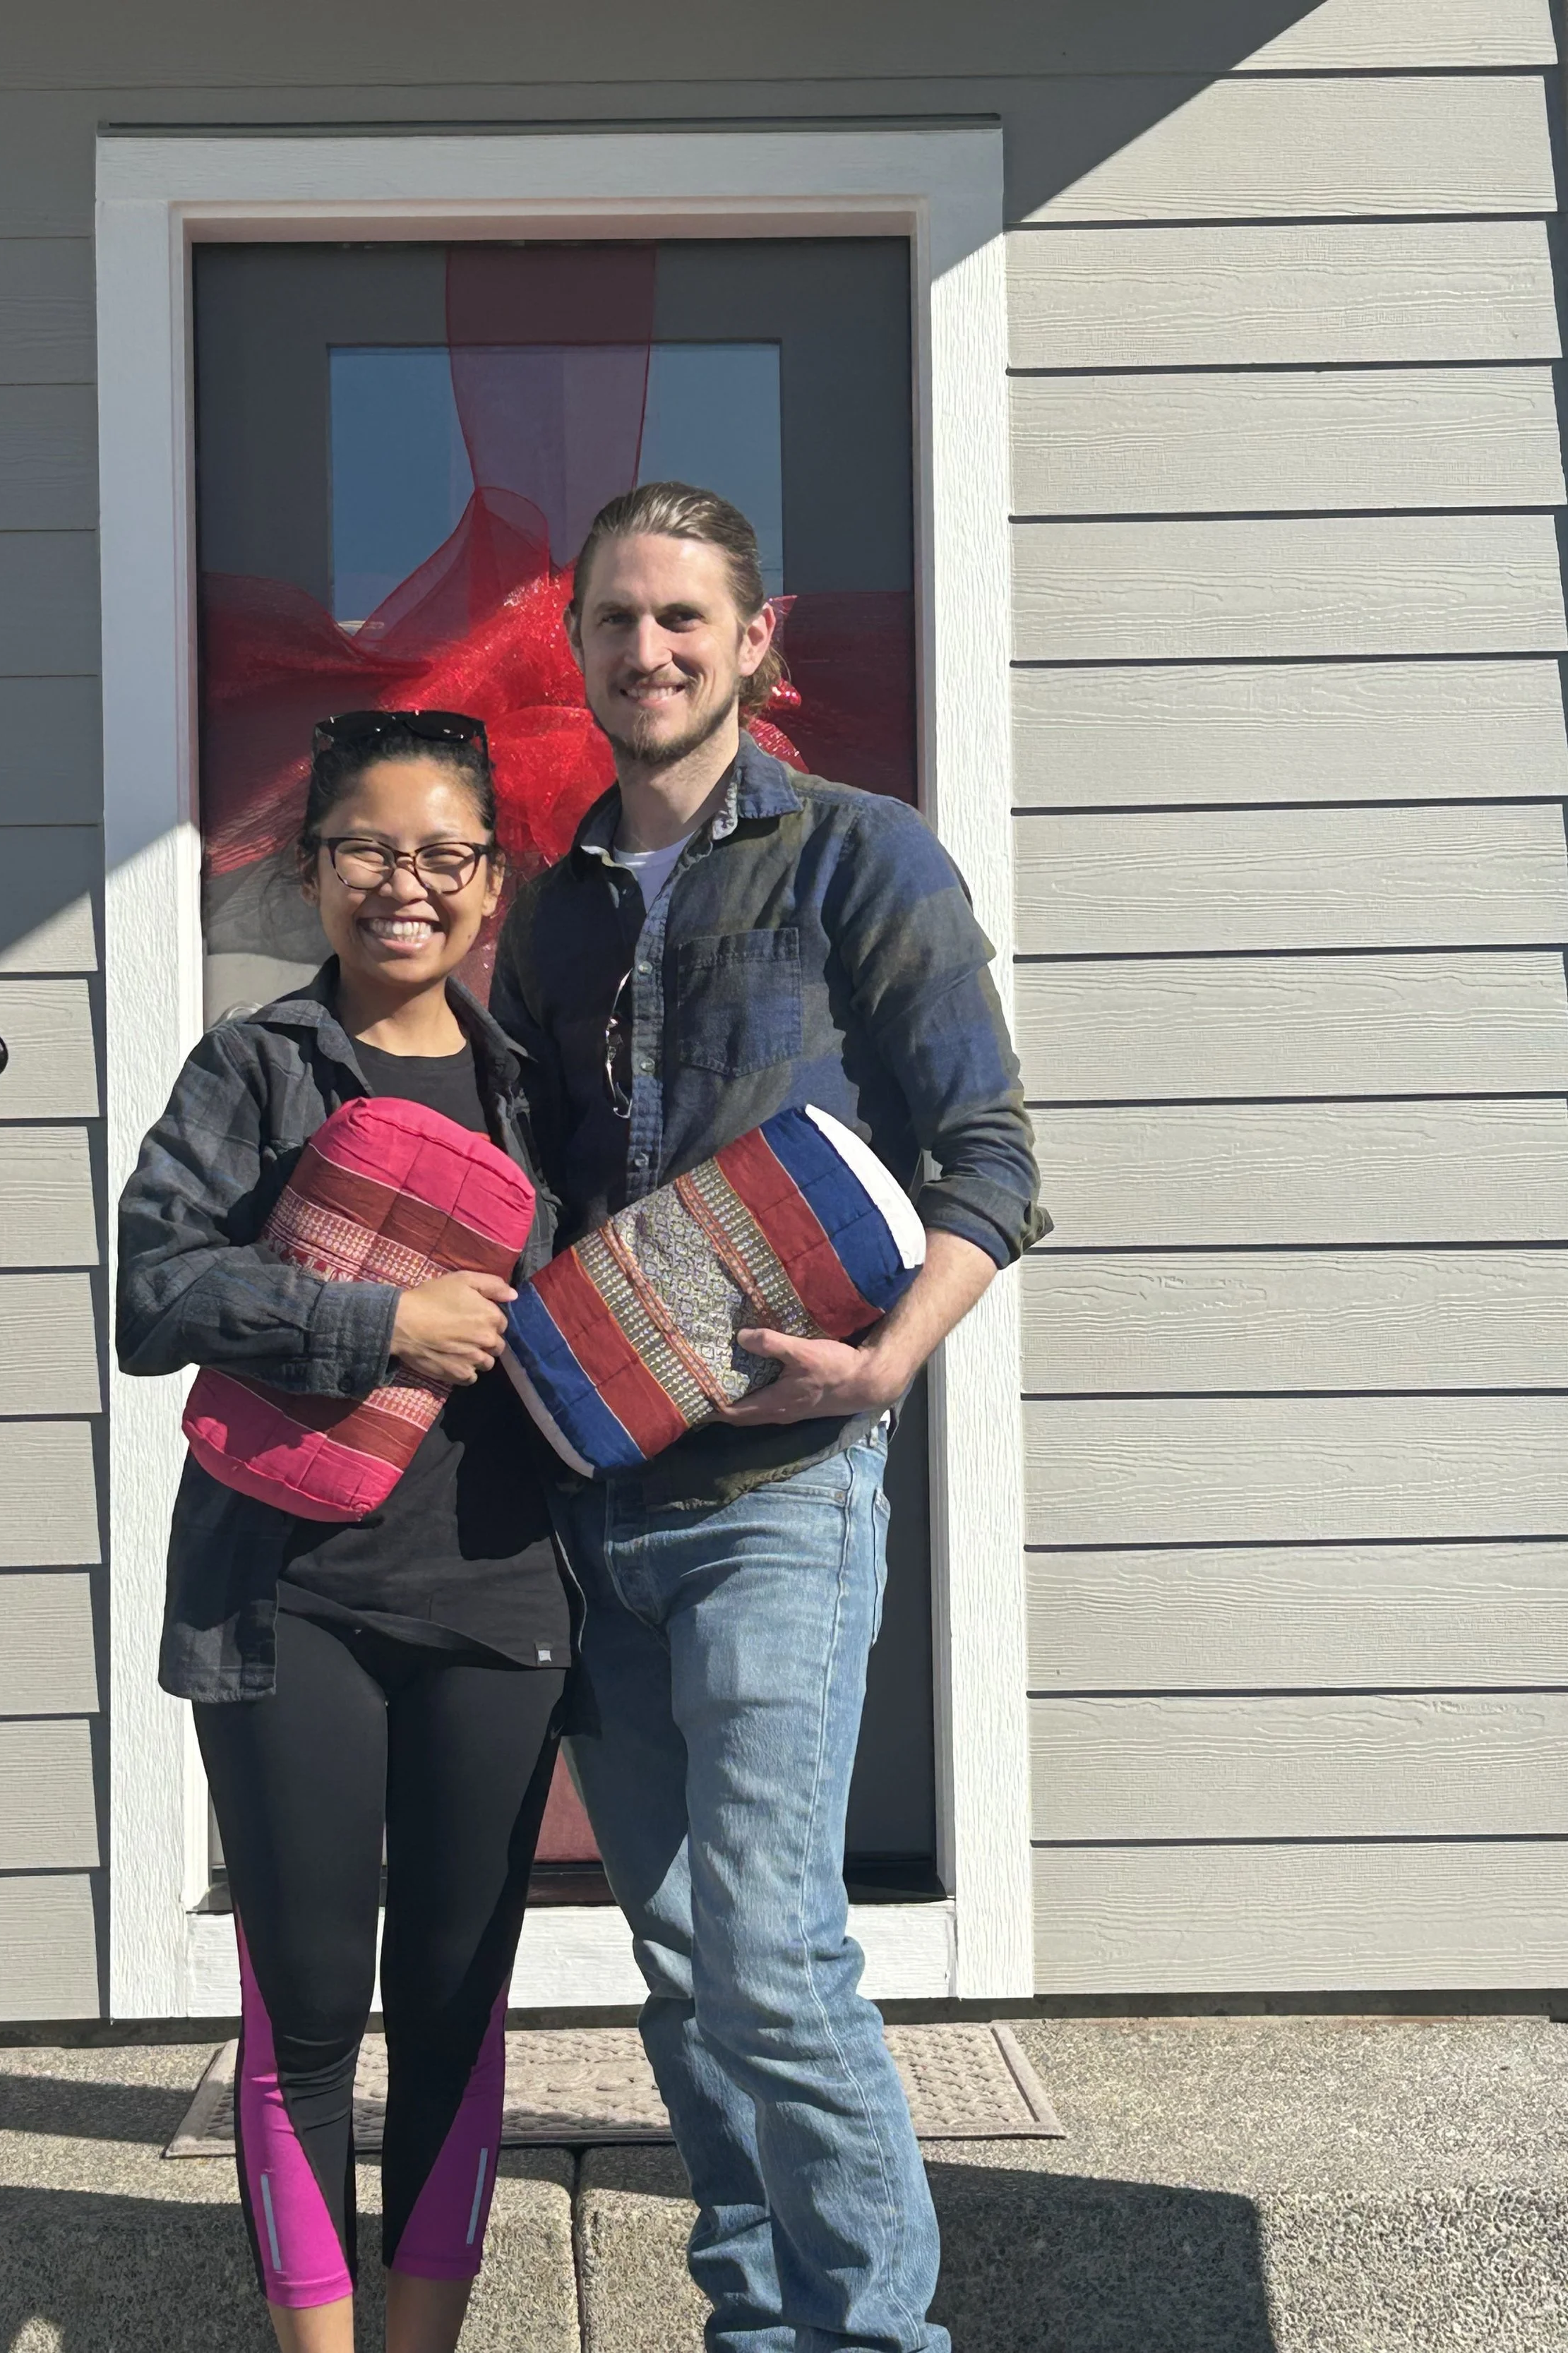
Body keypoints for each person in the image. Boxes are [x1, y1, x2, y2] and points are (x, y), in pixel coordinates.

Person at [491, 482, 1048, 2352]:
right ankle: (754, 2318)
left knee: (768, 1942)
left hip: (778, 1490)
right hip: (598, 1497)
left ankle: (872, 2332)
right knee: (670, 1953)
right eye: (613, 620)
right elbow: (537, 1187)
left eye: (679, 619)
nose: (643, 651)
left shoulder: (859, 859)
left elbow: (993, 1161)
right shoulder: (548, 909)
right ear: (573, 643)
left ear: (755, 639)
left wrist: (889, 1359)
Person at [116, 710, 571, 2353]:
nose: (405, 883)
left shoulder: (538, 1083)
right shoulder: (253, 1065)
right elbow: (154, 1292)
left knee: (456, 2014)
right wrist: (375, 1322)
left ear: (489, 883)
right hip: (286, 1602)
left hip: (502, 1597)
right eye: (366, 847)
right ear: (308, 868)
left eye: (444, 852)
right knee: (305, 2013)